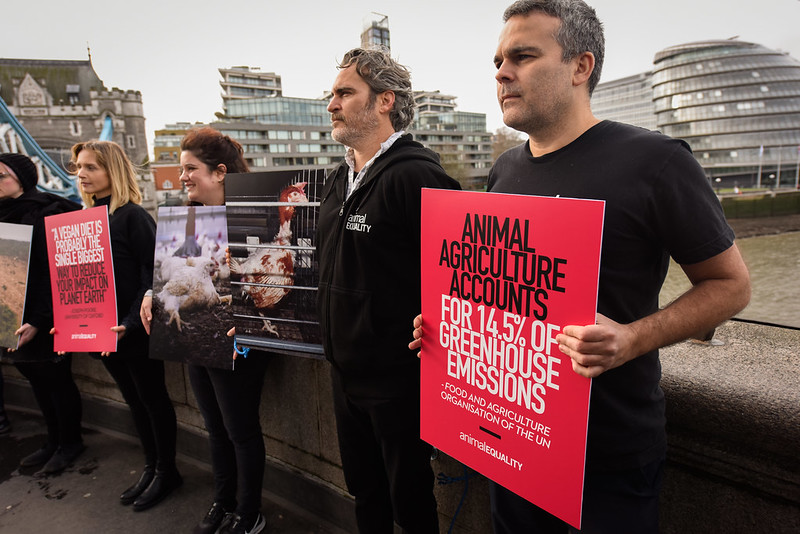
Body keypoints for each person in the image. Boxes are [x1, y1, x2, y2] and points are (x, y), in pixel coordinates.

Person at [412, 1, 750, 532]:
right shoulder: (504, 169)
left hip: (607, 456)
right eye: (498, 61)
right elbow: (502, 292)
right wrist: (449, 328)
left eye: (523, 56)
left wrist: (632, 339)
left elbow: (731, 285)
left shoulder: (657, 161)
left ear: (580, 66)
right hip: (512, 442)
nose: (502, 72)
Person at [317, 48, 461, 534]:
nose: (332, 105)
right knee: (365, 493)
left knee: (410, 501)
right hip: (343, 373)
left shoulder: (415, 175)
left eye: (344, 93)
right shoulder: (338, 179)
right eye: (332, 95)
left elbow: (459, 276)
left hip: (396, 381)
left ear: (384, 100)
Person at [141, 126, 268, 534]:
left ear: (220, 172)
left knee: (240, 431)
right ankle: (223, 501)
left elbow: (276, 284)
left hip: (241, 344)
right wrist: (150, 293)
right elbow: (170, 274)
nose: (182, 177)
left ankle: (248, 513)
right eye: (182, 170)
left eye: (190, 169)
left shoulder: (255, 216)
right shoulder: (186, 218)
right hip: (199, 345)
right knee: (214, 428)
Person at [71, 141, 180, 510]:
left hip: (134, 332)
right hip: (102, 333)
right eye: (79, 167)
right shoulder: (83, 221)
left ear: (112, 171)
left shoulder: (132, 217)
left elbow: (153, 274)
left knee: (152, 400)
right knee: (134, 401)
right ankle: (151, 466)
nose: (81, 174)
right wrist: (68, 321)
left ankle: (167, 471)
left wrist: (130, 322)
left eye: (90, 167)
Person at [0, 152, 84, 473]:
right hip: (11, 314)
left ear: (22, 179)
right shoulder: (3, 214)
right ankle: (53, 440)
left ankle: (70, 443)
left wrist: (38, 320)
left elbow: (58, 273)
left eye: (1, 176)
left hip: (46, 316)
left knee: (56, 379)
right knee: (34, 377)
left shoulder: (49, 212)